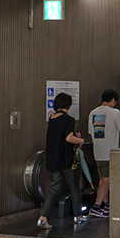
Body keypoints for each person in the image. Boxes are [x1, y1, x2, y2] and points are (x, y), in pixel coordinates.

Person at [37, 93, 87, 229]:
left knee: (54, 188)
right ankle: (78, 216)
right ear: (69, 105)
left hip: (53, 159)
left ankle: (43, 217)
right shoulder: (68, 119)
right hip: (66, 160)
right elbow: (69, 138)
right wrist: (80, 140)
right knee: (74, 188)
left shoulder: (52, 119)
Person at [87, 89, 120, 218]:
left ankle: (106, 206)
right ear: (112, 100)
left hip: (97, 152)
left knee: (103, 180)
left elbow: (90, 132)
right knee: (107, 179)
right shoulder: (114, 112)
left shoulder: (92, 113)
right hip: (109, 152)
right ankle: (96, 206)